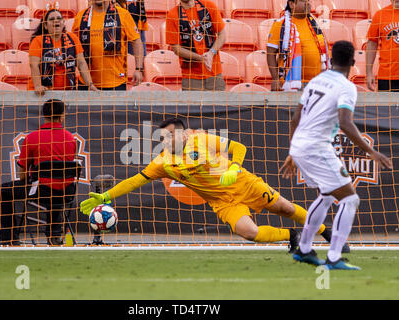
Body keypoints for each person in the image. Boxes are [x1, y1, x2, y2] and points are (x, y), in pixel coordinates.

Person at [80, 118, 342, 250]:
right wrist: (106, 197)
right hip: (222, 201)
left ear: (183, 133)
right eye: (162, 137)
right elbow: (135, 181)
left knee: (285, 208)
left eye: (169, 136)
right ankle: (292, 236)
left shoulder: (202, 139)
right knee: (250, 233)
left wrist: (235, 168)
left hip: (243, 183)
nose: (165, 140)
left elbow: (238, 147)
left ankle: (324, 231)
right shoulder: (163, 162)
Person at [281, 41, 393, 270]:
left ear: (331, 60)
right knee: (350, 199)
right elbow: (345, 122)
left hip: (301, 145)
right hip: (316, 147)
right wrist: (371, 151)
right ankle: (333, 258)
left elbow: (295, 118)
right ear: (353, 63)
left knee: (327, 196)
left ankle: (303, 250)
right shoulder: (346, 87)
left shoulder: (316, 80)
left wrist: (292, 151)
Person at [0, 99, 78, 246]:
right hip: (66, 191)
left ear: (43, 115)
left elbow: (22, 173)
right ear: (62, 116)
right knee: (56, 186)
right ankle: (54, 234)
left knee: (3, 190)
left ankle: (9, 238)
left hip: (41, 190)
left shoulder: (32, 137)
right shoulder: (70, 138)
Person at [72, 0, 144, 90]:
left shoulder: (123, 14)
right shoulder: (80, 17)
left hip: (116, 82)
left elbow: (136, 41)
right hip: (86, 83)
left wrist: (138, 69)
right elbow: (73, 47)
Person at [28, 7, 98, 96]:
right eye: (51, 19)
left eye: (59, 18)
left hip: (67, 92)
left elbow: (81, 63)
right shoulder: (38, 41)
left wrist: (90, 84)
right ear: (45, 25)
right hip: (43, 92)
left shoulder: (72, 38)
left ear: (63, 22)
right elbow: (33, 65)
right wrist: (38, 86)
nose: (56, 21)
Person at [267, 0, 330, 91]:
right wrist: (275, 78)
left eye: (308, 1)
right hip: (291, 83)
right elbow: (271, 53)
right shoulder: (281, 24)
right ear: (292, 4)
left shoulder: (314, 25)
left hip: (316, 84)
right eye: (303, 1)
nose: (307, 4)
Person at [165, 0, 227, 91]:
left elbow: (222, 34)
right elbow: (176, 49)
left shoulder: (208, 6)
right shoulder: (172, 15)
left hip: (215, 73)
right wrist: (201, 58)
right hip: (191, 77)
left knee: (218, 105)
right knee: (193, 105)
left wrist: (211, 53)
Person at [366, 0, 399, 92]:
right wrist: (369, 73)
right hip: (387, 77)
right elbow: (372, 43)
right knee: (386, 106)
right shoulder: (380, 15)